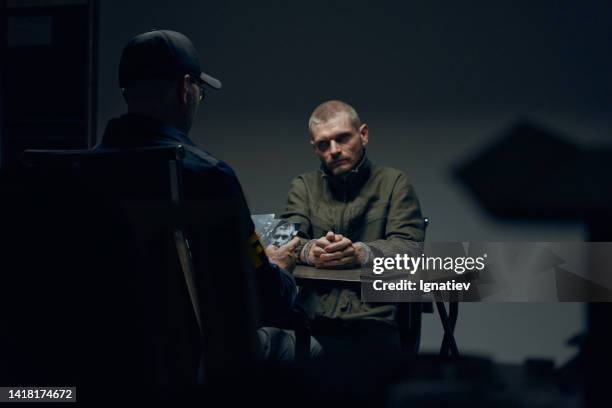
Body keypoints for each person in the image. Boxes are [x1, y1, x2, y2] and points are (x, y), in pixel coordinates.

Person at [96, 30, 320, 362]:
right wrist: (279, 269)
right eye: (201, 93)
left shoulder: (78, 169)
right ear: (186, 89)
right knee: (311, 349)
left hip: (105, 353)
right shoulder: (208, 176)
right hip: (193, 359)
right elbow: (262, 297)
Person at [281, 100, 425, 351]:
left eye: (343, 138)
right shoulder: (303, 186)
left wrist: (360, 253)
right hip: (311, 321)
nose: (334, 150)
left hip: (374, 323)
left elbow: (411, 249)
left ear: (363, 135)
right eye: (324, 144)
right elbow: (284, 243)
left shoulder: (394, 183)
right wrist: (311, 250)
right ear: (315, 148)